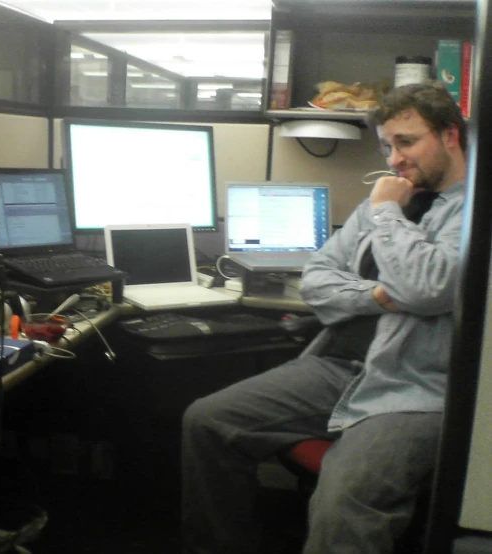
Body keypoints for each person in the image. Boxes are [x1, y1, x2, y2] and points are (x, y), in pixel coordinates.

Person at [181, 81, 468, 554]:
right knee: (207, 422)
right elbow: (316, 277)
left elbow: (427, 287)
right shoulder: (388, 198)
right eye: (386, 146)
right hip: (336, 365)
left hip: (415, 387)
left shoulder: (471, 209)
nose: (394, 159)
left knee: (343, 500)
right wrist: (377, 295)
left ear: (450, 135)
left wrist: (387, 214)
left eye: (407, 142)